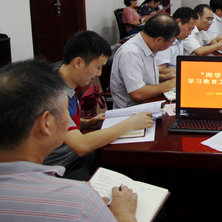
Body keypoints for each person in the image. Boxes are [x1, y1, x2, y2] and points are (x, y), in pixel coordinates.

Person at [0, 59, 145, 222]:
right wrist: (124, 214)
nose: (69, 121)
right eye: (65, 112)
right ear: (46, 123)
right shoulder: (78, 203)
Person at [44, 31, 153, 180]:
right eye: (98, 67)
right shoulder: (53, 94)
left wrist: (86, 122)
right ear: (78, 62)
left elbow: (59, 124)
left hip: (74, 156)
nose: (99, 74)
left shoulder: (65, 82)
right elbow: (81, 145)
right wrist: (131, 124)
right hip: (63, 167)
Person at [110, 14, 180, 109]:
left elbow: (144, 77)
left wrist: (165, 76)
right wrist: (172, 83)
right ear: (159, 40)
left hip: (149, 103)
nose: (171, 45)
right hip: (132, 112)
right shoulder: (131, 53)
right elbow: (137, 94)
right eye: (171, 42)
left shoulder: (148, 45)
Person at [156, 7, 197, 81]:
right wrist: (185, 69)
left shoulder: (179, 39)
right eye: (189, 29)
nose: (190, 33)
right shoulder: (166, 39)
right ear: (178, 22)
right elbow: (159, 70)